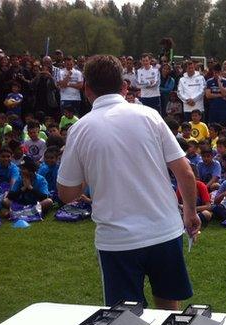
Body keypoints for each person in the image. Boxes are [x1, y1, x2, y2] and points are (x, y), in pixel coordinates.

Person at [57, 55, 199, 310]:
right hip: (163, 230)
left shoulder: (80, 129)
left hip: (117, 239)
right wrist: (189, 211)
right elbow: (185, 172)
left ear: (86, 88)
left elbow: (67, 194)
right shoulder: (150, 116)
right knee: (170, 319)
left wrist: (86, 174)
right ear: (123, 85)